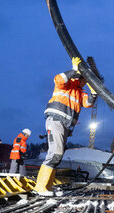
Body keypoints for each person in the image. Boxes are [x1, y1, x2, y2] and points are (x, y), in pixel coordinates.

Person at [33, 57, 97, 196]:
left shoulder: (81, 92)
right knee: (56, 153)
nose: (86, 82)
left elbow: (88, 103)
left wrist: (94, 92)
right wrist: (74, 70)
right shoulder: (66, 85)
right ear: (79, 77)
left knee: (57, 155)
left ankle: (46, 187)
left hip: (65, 126)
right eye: (85, 80)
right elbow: (58, 79)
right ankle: (40, 186)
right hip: (56, 121)